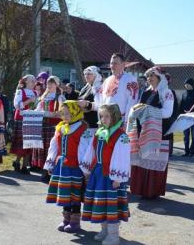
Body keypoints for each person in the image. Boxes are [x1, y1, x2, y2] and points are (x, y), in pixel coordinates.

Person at [80, 104, 130, 245]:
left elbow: (122, 157)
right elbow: (91, 151)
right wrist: (87, 170)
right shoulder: (99, 132)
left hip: (111, 176)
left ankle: (113, 235)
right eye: (101, 116)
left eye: (107, 116)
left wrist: (118, 178)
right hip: (98, 174)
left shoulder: (120, 136)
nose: (103, 119)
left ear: (114, 116)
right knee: (101, 204)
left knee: (111, 206)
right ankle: (105, 230)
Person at [44, 101, 92, 233]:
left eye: (68, 113)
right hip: (62, 166)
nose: (64, 116)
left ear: (76, 112)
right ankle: (66, 219)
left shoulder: (82, 128)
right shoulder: (60, 127)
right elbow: (54, 146)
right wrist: (50, 162)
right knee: (65, 194)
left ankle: (75, 222)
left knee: (74, 195)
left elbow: (85, 149)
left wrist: (86, 169)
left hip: (75, 166)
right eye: (63, 113)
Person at [129, 66, 174, 199]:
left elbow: (168, 113)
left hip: (160, 133)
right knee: (143, 161)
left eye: (152, 76)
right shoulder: (145, 92)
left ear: (159, 77)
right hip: (144, 131)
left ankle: (153, 191)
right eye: (148, 76)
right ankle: (142, 190)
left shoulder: (167, 93)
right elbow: (141, 108)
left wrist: (148, 110)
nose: (149, 79)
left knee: (155, 160)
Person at [35, 76, 65, 182]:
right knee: (43, 149)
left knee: (51, 149)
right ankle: (44, 171)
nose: (49, 85)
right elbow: (38, 109)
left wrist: (48, 114)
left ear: (56, 85)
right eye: (48, 83)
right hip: (43, 126)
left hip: (54, 127)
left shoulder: (60, 98)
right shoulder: (44, 97)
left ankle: (51, 173)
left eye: (52, 83)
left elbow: (62, 113)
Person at [102, 53, 139, 126]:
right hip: (106, 121)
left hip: (121, 121)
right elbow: (103, 101)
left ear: (123, 64)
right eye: (111, 63)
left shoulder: (130, 80)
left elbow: (132, 102)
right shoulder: (107, 80)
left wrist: (127, 122)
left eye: (115, 63)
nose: (112, 66)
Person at [11, 75, 37, 174]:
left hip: (32, 119)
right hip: (21, 119)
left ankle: (23, 165)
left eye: (34, 81)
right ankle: (19, 163)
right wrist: (29, 101)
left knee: (29, 143)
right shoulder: (20, 91)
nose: (34, 82)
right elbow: (17, 105)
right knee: (22, 143)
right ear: (26, 81)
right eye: (32, 81)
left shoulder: (35, 92)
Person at [77, 66, 103, 135]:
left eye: (89, 74)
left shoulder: (100, 87)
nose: (86, 76)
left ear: (96, 75)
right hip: (83, 122)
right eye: (85, 74)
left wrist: (87, 105)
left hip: (93, 123)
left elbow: (101, 105)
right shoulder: (85, 87)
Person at [180, 78, 194, 157]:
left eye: (188, 85)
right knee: (185, 135)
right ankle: (186, 151)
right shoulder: (184, 94)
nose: (187, 86)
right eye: (185, 85)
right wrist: (181, 114)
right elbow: (182, 105)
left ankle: (192, 151)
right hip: (185, 118)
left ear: (192, 85)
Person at [163, 73, 178, 156]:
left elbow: (175, 106)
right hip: (163, 118)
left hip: (170, 117)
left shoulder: (171, 92)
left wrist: (174, 117)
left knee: (169, 134)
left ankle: (169, 150)